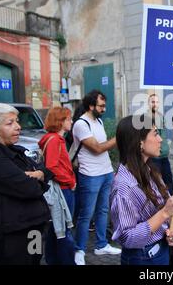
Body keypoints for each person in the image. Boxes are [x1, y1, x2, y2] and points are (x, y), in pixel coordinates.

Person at [0, 103, 51, 265]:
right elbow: (31, 189)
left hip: (33, 228)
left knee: (34, 260)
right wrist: (39, 178)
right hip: (11, 234)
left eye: (17, 121)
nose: (18, 127)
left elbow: (46, 170)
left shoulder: (15, 151)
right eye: (10, 123)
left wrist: (40, 174)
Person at [110, 114, 173, 265]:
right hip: (143, 257)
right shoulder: (124, 186)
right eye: (155, 134)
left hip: (160, 250)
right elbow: (127, 237)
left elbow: (172, 209)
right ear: (140, 143)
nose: (160, 139)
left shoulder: (150, 171)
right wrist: (164, 214)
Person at [71, 90, 121, 265]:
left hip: (105, 172)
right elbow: (97, 148)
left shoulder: (98, 120)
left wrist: (110, 171)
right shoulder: (81, 124)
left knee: (103, 211)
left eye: (104, 105)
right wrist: (119, 137)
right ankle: (79, 249)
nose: (103, 109)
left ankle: (101, 245)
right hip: (90, 175)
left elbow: (102, 150)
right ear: (91, 105)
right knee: (86, 214)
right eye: (101, 106)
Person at [39, 107, 76, 265]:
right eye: (68, 119)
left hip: (61, 189)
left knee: (56, 230)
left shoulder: (52, 138)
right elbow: (52, 167)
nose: (71, 121)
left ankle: (53, 261)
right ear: (60, 122)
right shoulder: (55, 140)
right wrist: (70, 181)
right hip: (62, 190)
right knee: (63, 230)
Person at [148, 94, 173, 195]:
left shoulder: (160, 116)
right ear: (148, 103)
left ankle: (171, 200)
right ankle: (159, 204)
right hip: (155, 157)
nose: (155, 104)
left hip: (164, 155)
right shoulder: (147, 118)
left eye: (157, 102)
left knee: (168, 180)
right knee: (157, 182)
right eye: (153, 102)